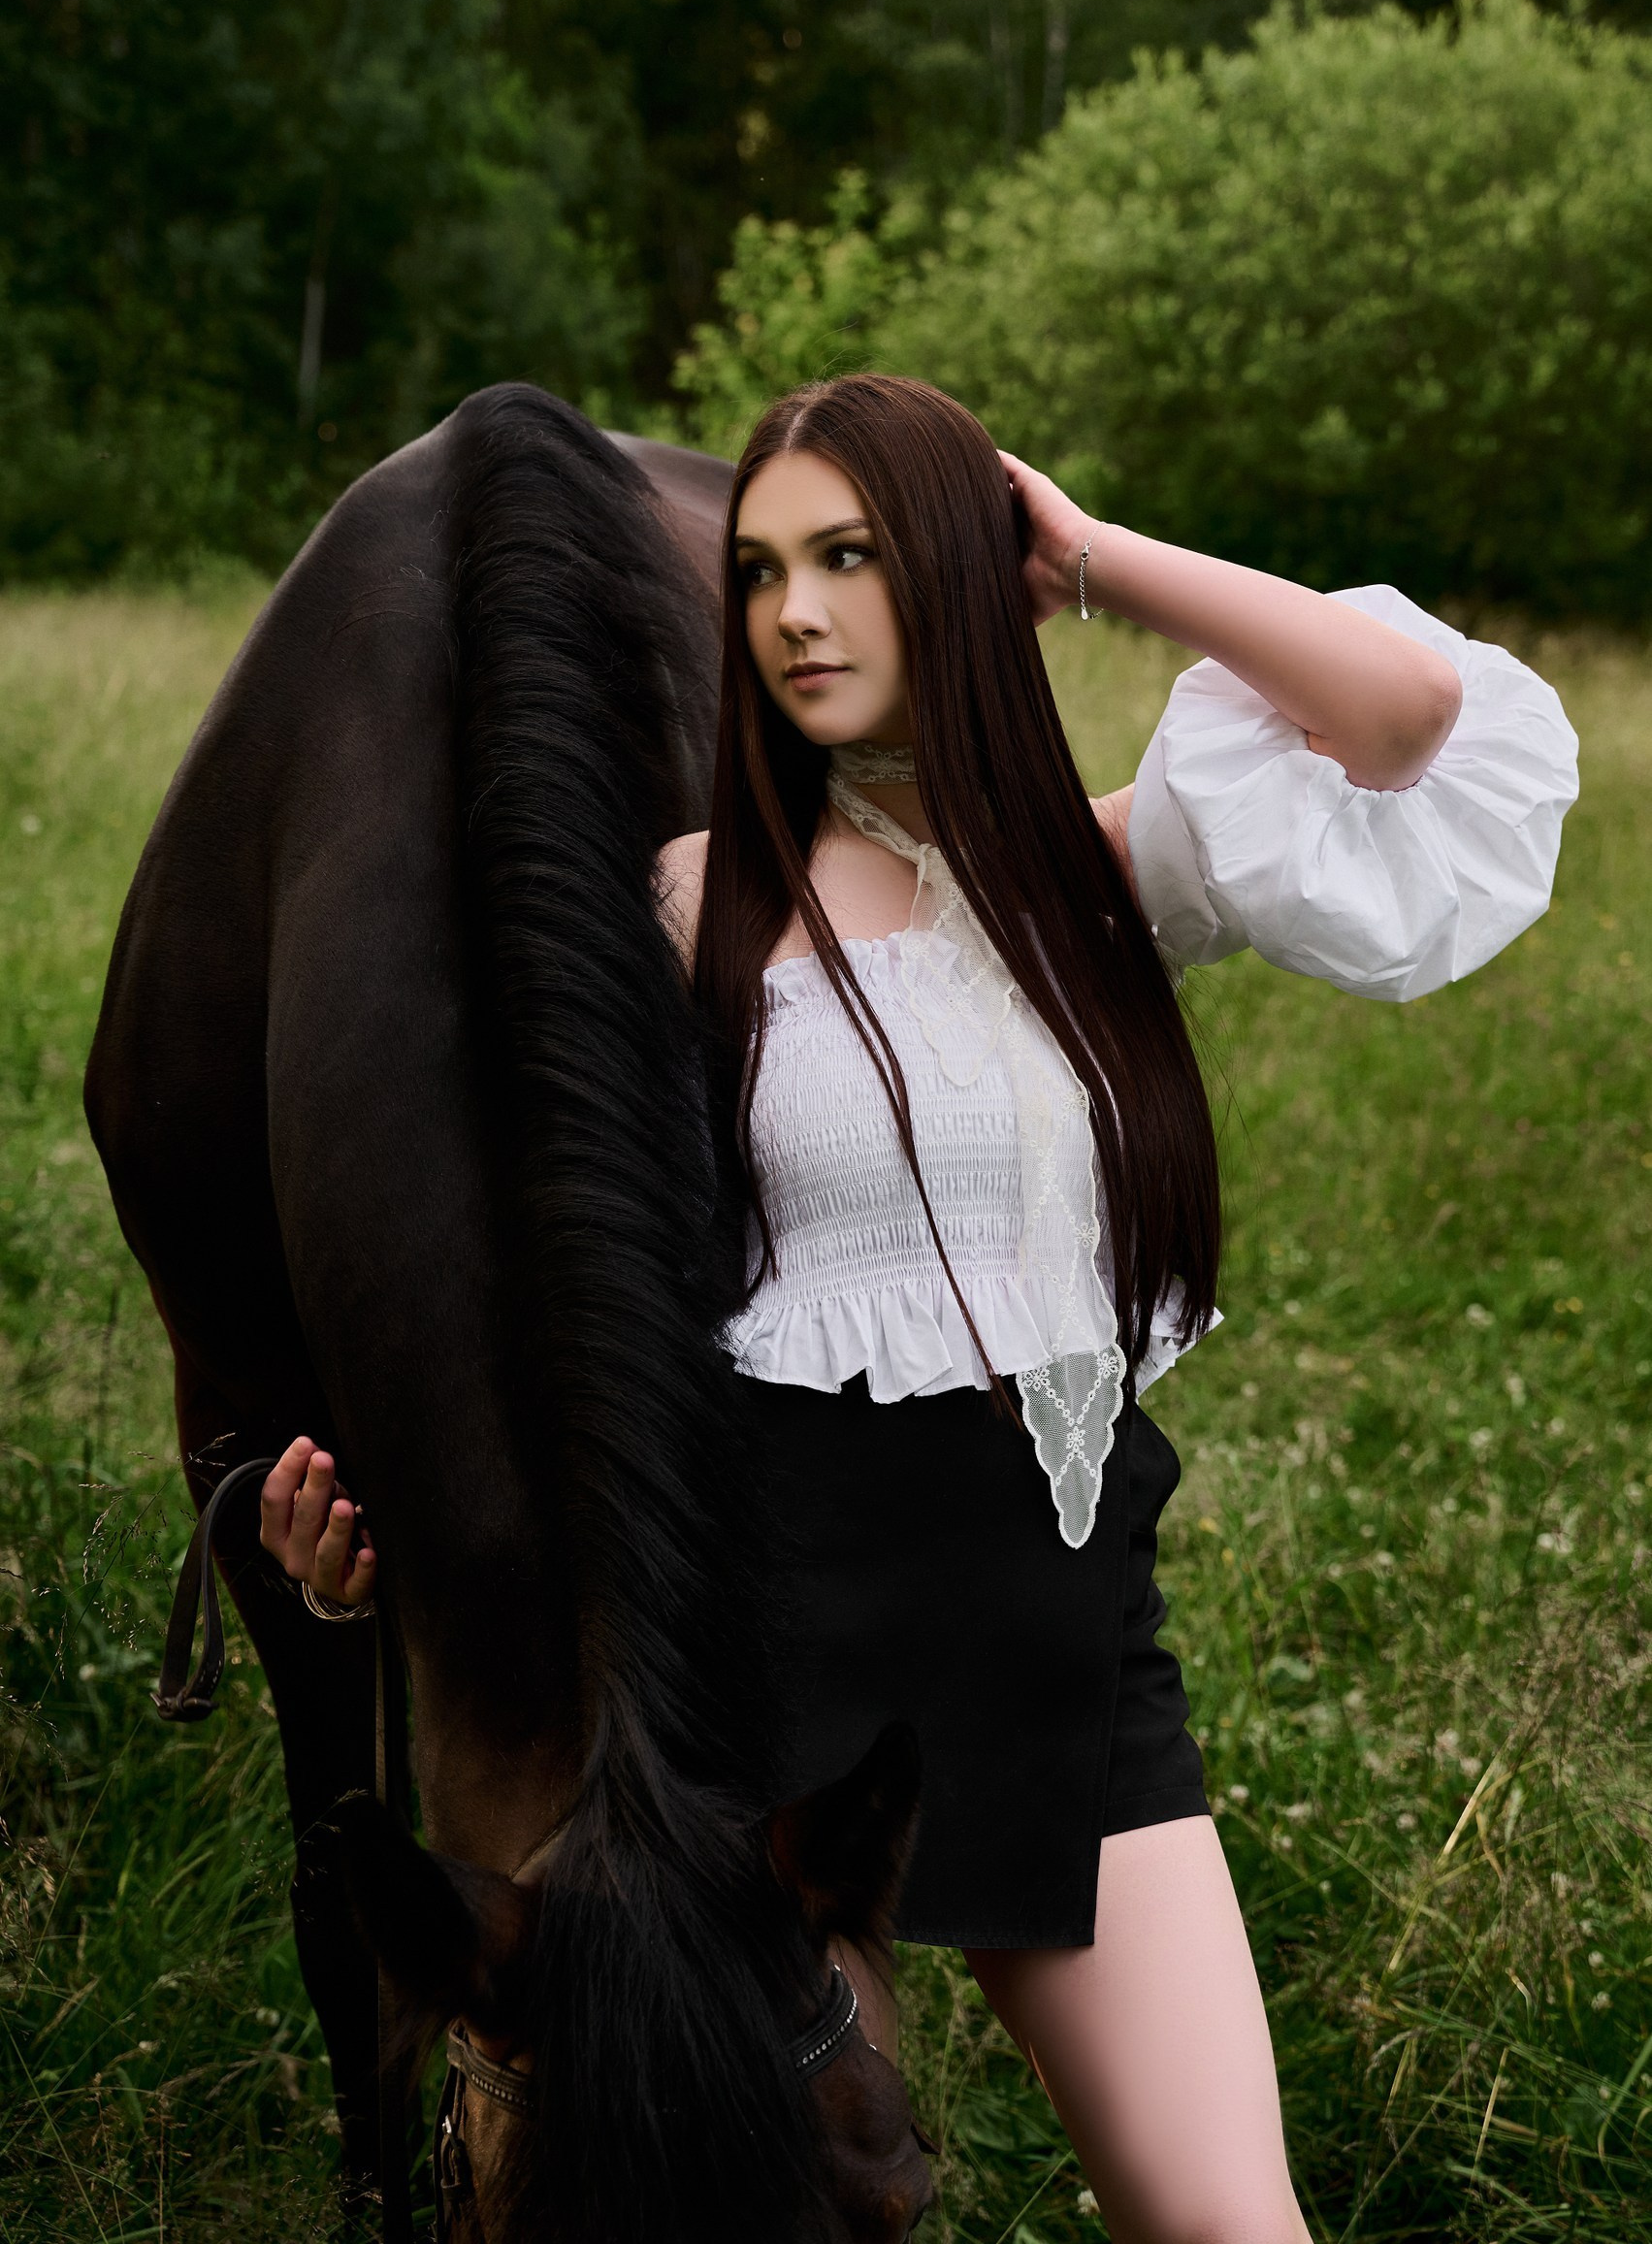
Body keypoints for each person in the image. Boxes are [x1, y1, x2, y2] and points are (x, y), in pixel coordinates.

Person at [261, 374, 1576, 2241]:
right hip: (768, 1721)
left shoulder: (1094, 880)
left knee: (1235, 2227)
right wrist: (370, 1569)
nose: (795, 613)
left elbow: (1409, 717)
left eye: (854, 559)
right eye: (763, 570)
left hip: (1067, 1665)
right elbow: (561, 1304)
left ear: (957, 570)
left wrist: (1090, 555)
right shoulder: (682, 911)